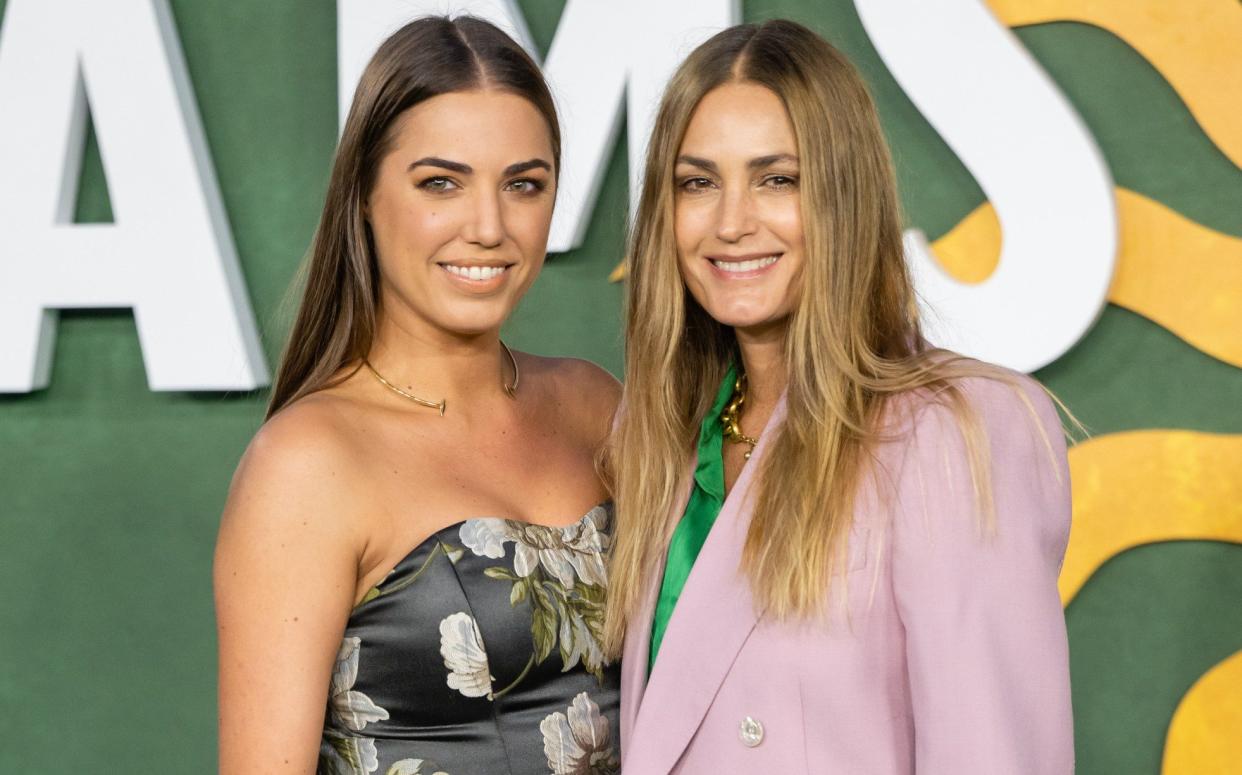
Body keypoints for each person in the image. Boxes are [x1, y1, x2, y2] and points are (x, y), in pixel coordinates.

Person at [605, 19, 1074, 774]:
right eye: (698, 182)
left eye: (776, 178)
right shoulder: (655, 434)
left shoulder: (954, 432)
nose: (731, 222)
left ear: (844, 194)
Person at [214, 16, 621, 775]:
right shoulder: (306, 464)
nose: (489, 226)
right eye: (442, 183)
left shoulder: (595, 405)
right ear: (364, 195)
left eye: (523, 184)